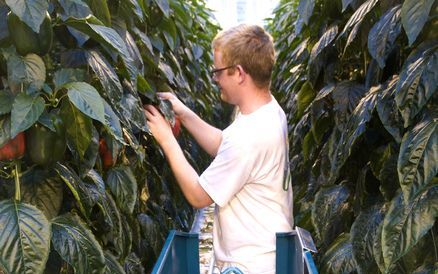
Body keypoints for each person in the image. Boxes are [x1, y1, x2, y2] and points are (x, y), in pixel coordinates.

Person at [144, 24, 293, 274]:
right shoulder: (267, 111)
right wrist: (184, 112)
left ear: (239, 73)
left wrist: (167, 140)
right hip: (266, 253)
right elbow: (225, 144)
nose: (215, 79)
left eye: (219, 72)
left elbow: (198, 195)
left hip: (250, 265)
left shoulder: (250, 136)